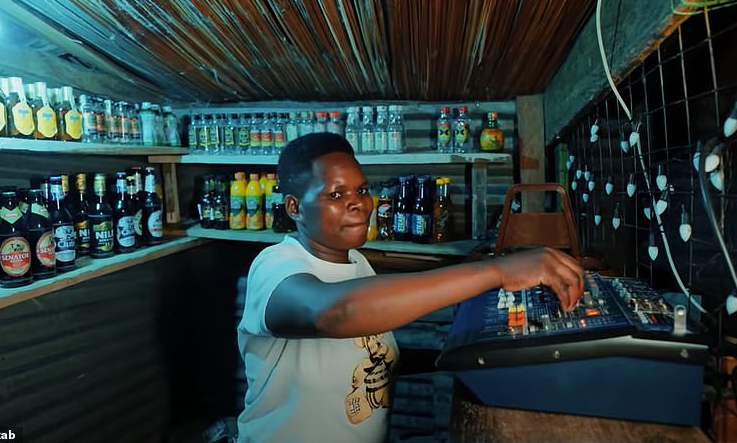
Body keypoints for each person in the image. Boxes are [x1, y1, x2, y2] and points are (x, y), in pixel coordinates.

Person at [236, 133, 583, 443]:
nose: (358, 203)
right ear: (294, 208)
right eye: (335, 194)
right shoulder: (276, 265)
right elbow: (336, 314)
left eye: (361, 190)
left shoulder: (356, 263)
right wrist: (496, 271)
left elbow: (365, 356)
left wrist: (474, 355)